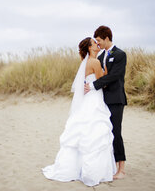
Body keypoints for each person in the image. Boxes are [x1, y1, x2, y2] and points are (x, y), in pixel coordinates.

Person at [42, 37, 116, 187]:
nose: (97, 44)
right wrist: (106, 67)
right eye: (94, 43)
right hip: (95, 100)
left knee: (86, 132)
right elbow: (104, 81)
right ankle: (93, 172)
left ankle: (78, 168)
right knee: (95, 132)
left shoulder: (88, 62)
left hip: (90, 98)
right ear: (90, 48)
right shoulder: (94, 62)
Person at [84, 25, 127, 179]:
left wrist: (93, 85)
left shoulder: (120, 54)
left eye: (99, 40)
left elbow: (114, 75)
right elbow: (96, 72)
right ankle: (112, 165)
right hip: (102, 100)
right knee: (106, 132)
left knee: (116, 132)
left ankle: (121, 168)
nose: (98, 43)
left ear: (107, 38)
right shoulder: (101, 56)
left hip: (116, 99)